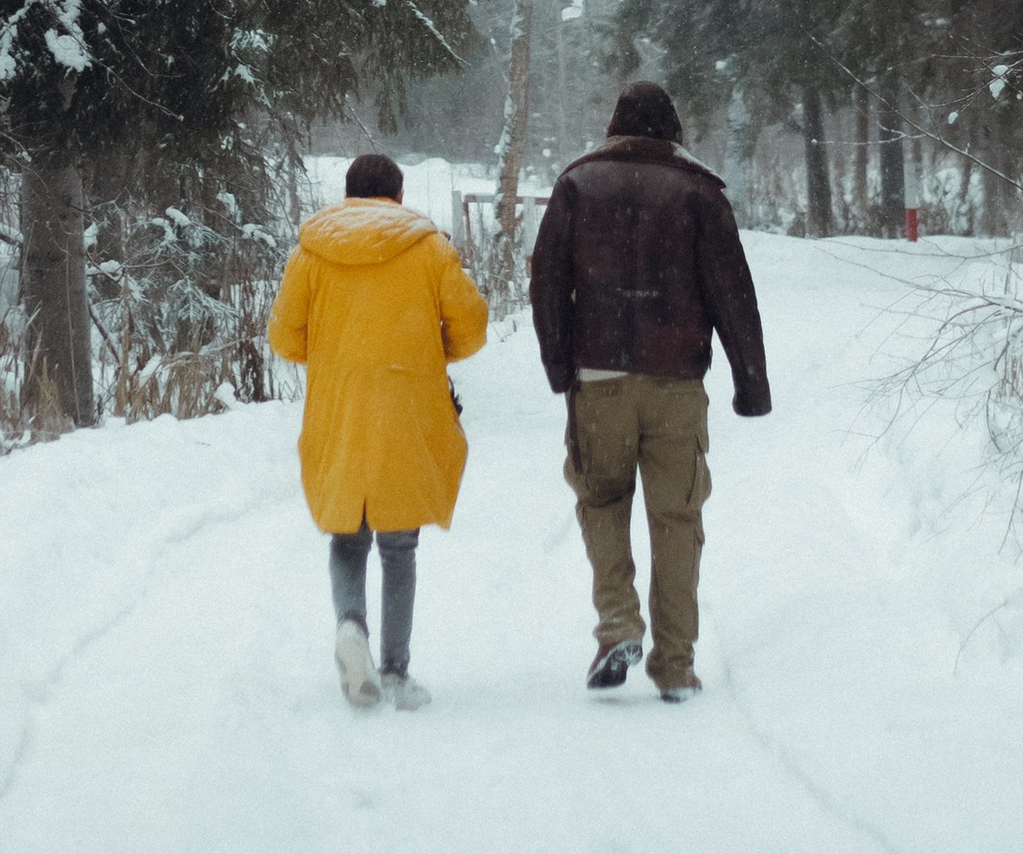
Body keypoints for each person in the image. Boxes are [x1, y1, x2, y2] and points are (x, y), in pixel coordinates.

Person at [529, 80, 771, 702]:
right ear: (674, 131)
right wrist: (751, 383)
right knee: (677, 516)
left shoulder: (577, 185)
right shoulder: (699, 192)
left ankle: (617, 623)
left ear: (614, 127)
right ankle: (675, 665)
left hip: (599, 378)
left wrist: (562, 370)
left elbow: (547, 284)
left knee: (602, 500)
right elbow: (732, 294)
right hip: (676, 381)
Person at [268, 151, 488, 709]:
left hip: (339, 407)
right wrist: (433, 350)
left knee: (348, 534)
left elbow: (285, 338)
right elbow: (472, 327)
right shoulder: (428, 247)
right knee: (399, 543)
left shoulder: (312, 251)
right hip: (406, 405)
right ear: (398, 195)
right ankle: (394, 672)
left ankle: (350, 628)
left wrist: (332, 350)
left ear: (348, 195)